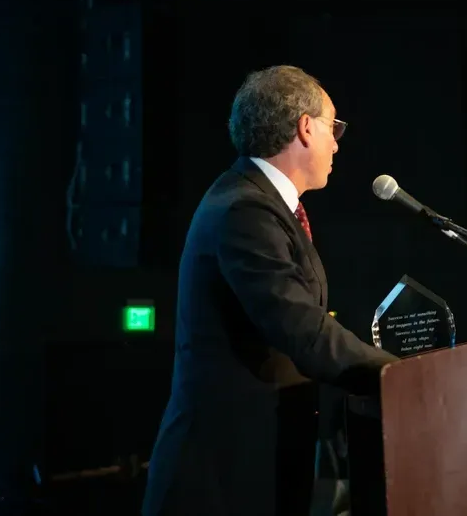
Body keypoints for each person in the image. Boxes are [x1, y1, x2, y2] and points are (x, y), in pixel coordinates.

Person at [141, 66, 399, 516]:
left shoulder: (257, 202)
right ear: (304, 127)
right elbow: (305, 331)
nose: (337, 142)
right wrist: (404, 381)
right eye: (332, 127)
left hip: (256, 471)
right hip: (219, 481)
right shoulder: (244, 211)